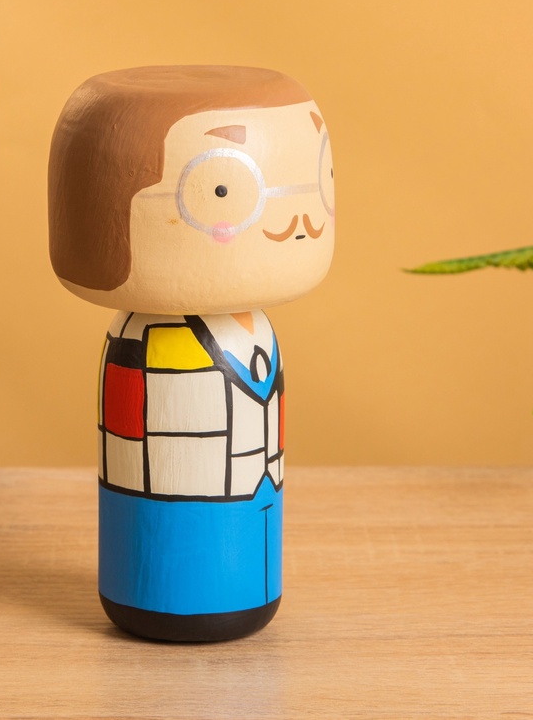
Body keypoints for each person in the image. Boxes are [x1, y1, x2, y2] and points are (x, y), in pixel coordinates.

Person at [49, 65, 334, 641]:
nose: (299, 216)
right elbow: (128, 447)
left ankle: (240, 586)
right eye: (222, 190)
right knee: (167, 552)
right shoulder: (140, 344)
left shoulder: (257, 336)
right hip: (164, 517)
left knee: (248, 557)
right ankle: (163, 590)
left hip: (252, 504)